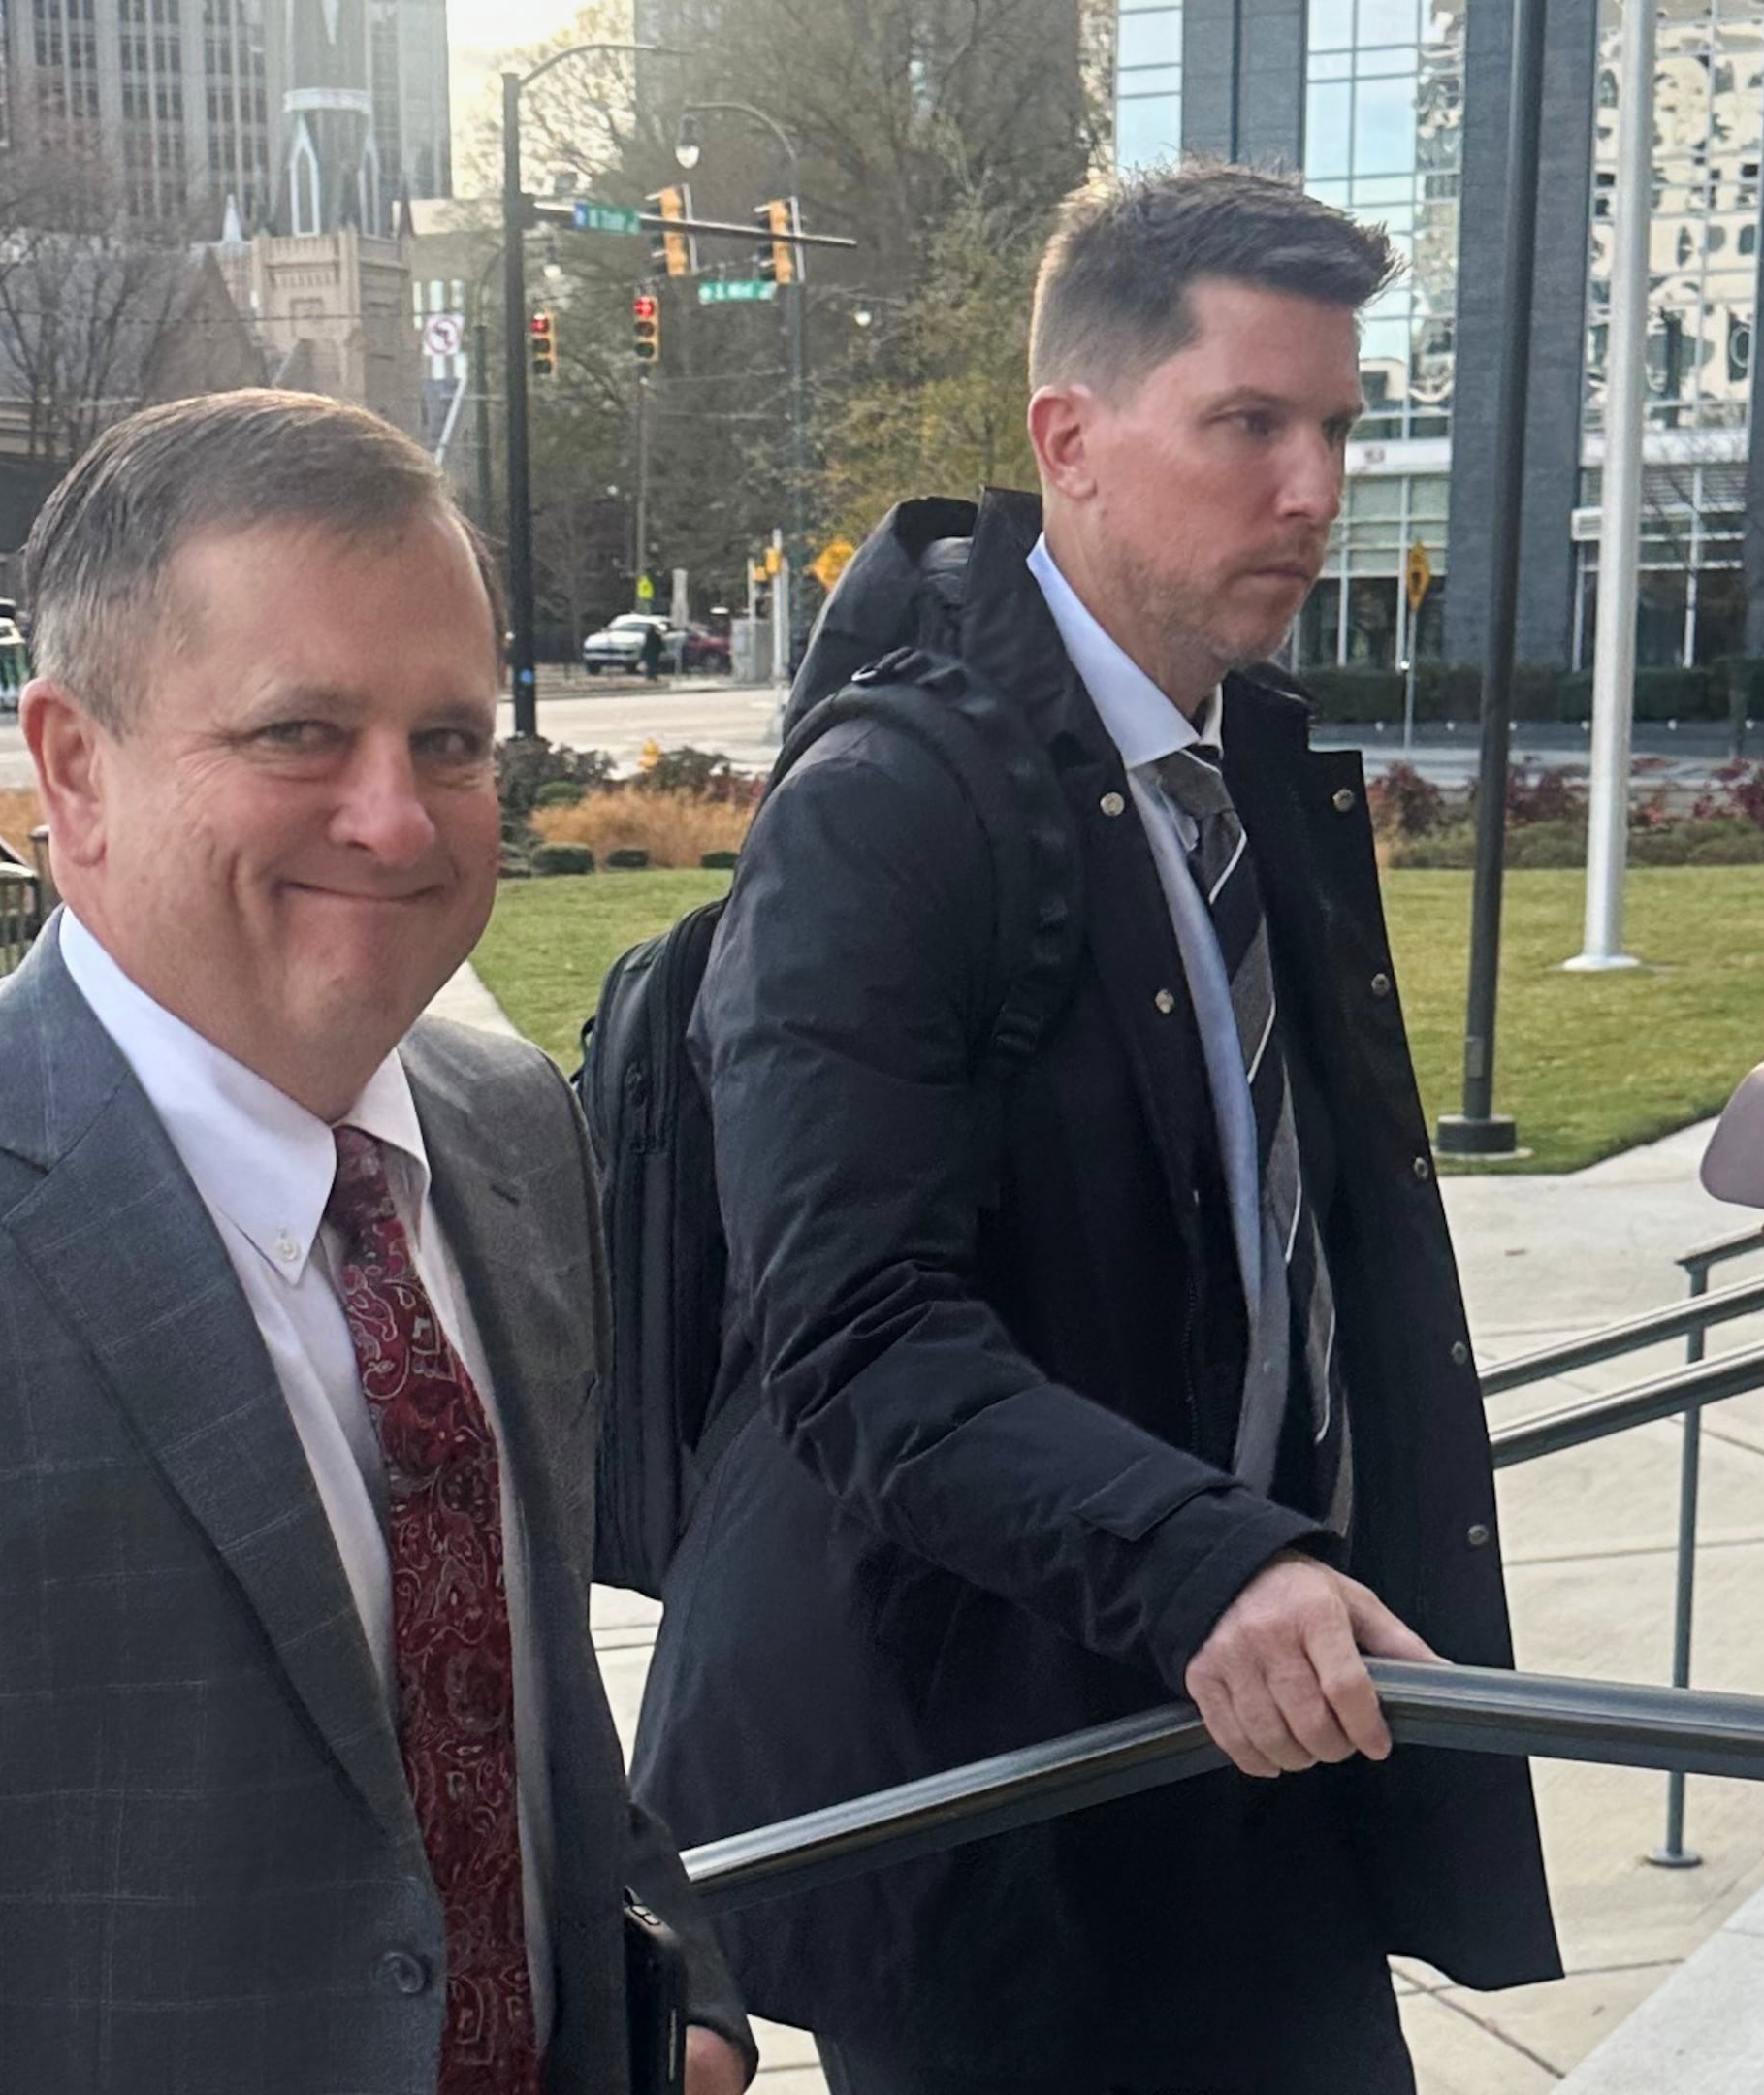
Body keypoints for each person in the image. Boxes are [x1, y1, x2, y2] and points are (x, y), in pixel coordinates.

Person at [0, 389, 753, 2095]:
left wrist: (664, 1981)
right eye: (299, 736)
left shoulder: (505, 1134)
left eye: (455, 739)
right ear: (72, 768)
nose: (399, 818)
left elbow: (503, 1685)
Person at [633, 162, 1555, 2095]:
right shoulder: (888, 808)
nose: (1314, 488)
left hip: (1243, 1743)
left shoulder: (1253, 767)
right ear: (1072, 439)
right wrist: (1205, 1556)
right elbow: (857, 1337)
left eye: (1335, 429)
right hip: (995, 1784)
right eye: (1249, 424)